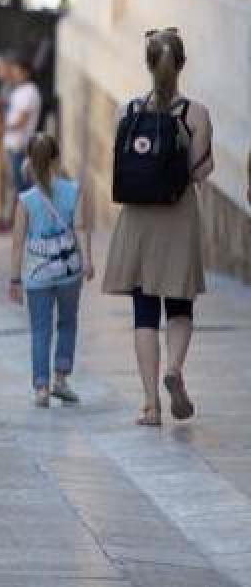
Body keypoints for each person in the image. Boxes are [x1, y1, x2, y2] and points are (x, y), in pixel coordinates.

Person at [103, 28, 213, 427]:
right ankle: (174, 369)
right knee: (180, 306)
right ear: (181, 64)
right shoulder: (195, 114)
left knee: (144, 311)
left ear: (148, 65)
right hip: (177, 216)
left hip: (137, 219)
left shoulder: (127, 112)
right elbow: (201, 171)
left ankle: (151, 405)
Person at [9, 134, 94, 407]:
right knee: (68, 323)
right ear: (57, 159)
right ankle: (61, 378)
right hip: (69, 272)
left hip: (37, 276)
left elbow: (17, 244)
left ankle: (41, 388)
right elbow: (80, 228)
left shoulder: (25, 200)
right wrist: (87, 260)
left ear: (29, 162)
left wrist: (14, 280)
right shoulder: (74, 191)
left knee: (40, 330)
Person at [1, 50, 42, 194]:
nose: (14, 74)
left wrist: (1, 127)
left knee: (24, 188)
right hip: (13, 145)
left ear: (25, 72)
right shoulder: (20, 90)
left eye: (17, 71)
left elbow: (21, 121)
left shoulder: (30, 92)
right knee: (19, 186)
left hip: (20, 146)